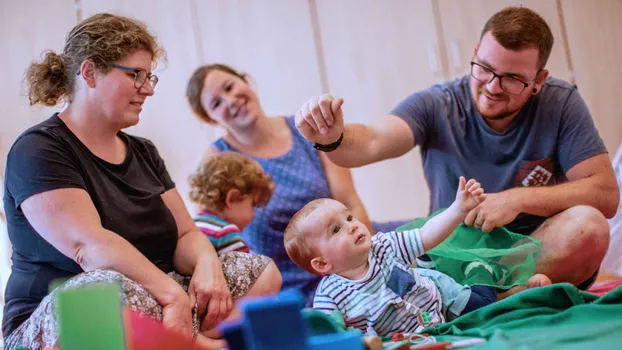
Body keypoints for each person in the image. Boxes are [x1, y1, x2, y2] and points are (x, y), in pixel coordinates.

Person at [2, 14, 280, 350]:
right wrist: (173, 296)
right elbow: (89, 248)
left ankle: (191, 342)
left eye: (150, 78)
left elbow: (186, 233)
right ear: (89, 73)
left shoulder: (144, 151)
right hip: (80, 312)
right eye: (136, 75)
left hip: (158, 300)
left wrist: (208, 265)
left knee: (262, 271)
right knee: (104, 290)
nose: (147, 89)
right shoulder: (38, 149)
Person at [294, 6, 619, 290]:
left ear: (539, 80)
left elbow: (605, 195)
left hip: (533, 251)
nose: (492, 87)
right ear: (476, 52)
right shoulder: (439, 103)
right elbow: (373, 140)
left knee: (589, 226)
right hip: (454, 257)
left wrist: (517, 199)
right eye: (485, 69)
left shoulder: (561, 102)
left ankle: (493, 297)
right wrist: (333, 135)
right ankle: (490, 297)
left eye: (512, 79)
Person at [185, 64, 407, 305]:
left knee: (434, 238)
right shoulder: (214, 163)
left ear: (246, 81)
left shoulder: (307, 131)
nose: (230, 100)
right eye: (216, 103)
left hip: (349, 252)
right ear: (210, 118)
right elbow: (206, 240)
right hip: (290, 287)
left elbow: (350, 203)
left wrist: (368, 269)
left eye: (230, 87)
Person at [284, 177, 550, 336]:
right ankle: (509, 292)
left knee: (483, 309)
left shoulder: (384, 245)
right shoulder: (330, 294)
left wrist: (458, 209)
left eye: (349, 217)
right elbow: (327, 332)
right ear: (322, 264)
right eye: (336, 229)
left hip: (438, 297)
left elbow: (426, 235)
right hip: (415, 335)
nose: (352, 225)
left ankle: (488, 275)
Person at [189, 151, 275, 254]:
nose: (254, 214)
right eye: (253, 205)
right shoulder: (225, 234)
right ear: (232, 198)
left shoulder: (193, 225)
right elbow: (249, 269)